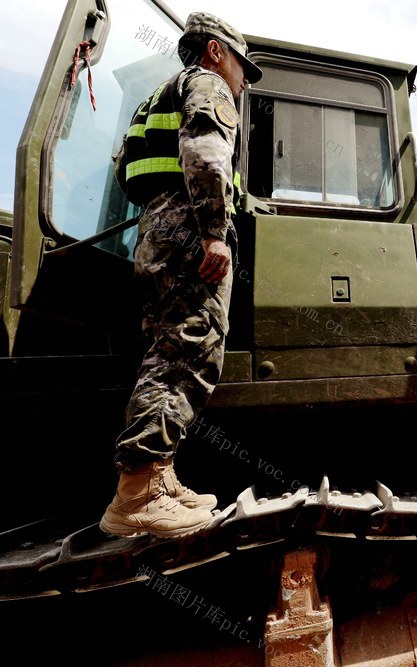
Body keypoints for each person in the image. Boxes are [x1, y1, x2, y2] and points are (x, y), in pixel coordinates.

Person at [100, 12, 263, 539]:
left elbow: (128, 172)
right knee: (187, 352)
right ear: (217, 52)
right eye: (243, 66)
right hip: (192, 232)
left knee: (169, 349)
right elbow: (207, 155)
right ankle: (140, 491)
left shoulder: (156, 96)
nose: (242, 81)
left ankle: (160, 478)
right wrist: (214, 229)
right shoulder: (209, 84)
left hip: (160, 231)